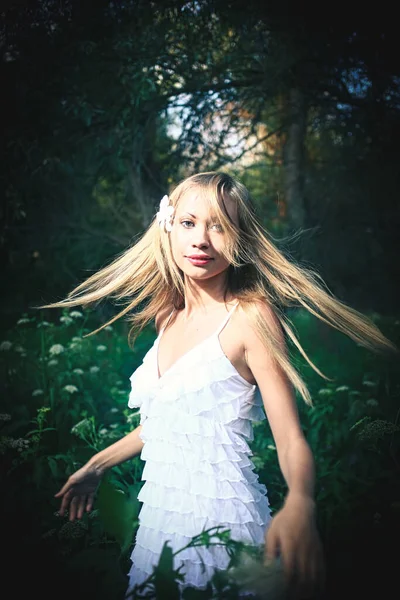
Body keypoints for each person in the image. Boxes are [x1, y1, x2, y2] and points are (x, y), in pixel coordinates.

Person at [41, 172, 397, 599]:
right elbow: (168, 423)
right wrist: (97, 465)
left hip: (223, 524)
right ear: (168, 226)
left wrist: (301, 500)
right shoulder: (167, 317)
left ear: (239, 238)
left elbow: (289, 439)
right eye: (189, 223)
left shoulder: (251, 317)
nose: (202, 240)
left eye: (220, 226)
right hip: (160, 522)